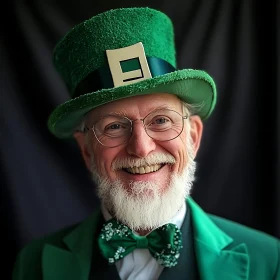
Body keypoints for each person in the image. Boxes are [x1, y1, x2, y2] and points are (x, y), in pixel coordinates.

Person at [12, 7, 279, 280]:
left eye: (161, 120)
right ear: (86, 150)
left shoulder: (269, 261)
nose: (141, 148)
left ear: (193, 136)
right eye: (114, 127)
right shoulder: (34, 264)